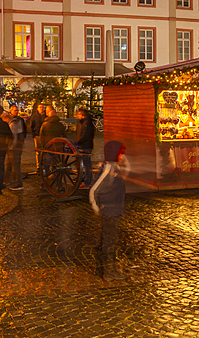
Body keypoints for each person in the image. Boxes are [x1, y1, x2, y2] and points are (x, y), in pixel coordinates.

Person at [89, 140, 127, 281]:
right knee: (109, 242)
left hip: (112, 208)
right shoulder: (109, 169)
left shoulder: (112, 167)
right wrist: (96, 206)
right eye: (121, 153)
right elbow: (94, 189)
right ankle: (109, 272)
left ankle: (100, 269)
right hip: (110, 209)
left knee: (103, 240)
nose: (123, 156)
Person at [5, 105, 26, 190]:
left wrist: (12, 146)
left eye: (17, 110)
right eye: (15, 110)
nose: (16, 112)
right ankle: (6, 179)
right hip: (14, 144)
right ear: (11, 110)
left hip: (15, 146)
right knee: (9, 162)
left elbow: (15, 135)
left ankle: (19, 183)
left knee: (16, 164)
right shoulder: (12, 120)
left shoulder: (16, 121)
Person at [74, 107, 96, 186]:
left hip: (85, 146)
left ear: (81, 115)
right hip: (82, 145)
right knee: (80, 163)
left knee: (87, 164)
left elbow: (85, 135)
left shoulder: (87, 123)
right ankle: (83, 178)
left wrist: (78, 142)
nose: (77, 116)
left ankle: (88, 181)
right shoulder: (82, 122)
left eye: (78, 114)